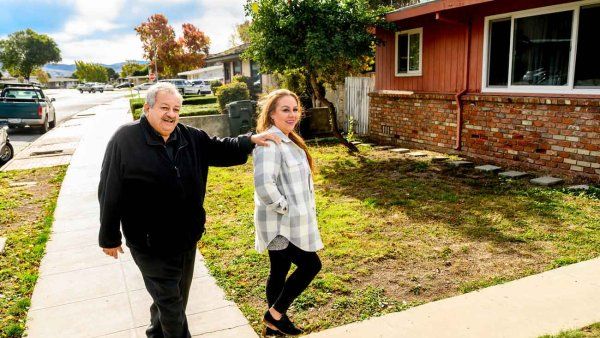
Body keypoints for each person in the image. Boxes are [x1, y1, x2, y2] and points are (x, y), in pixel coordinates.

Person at [98, 82, 280, 338]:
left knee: (174, 299)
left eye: (175, 109)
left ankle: (155, 334)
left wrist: (249, 140)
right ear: (147, 108)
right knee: (171, 304)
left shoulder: (189, 136)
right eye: (164, 108)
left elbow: (219, 148)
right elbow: (109, 188)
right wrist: (109, 236)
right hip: (149, 242)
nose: (171, 114)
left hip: (185, 237)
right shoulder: (125, 140)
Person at [253, 89, 323, 336]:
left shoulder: (289, 139)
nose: (292, 114)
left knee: (279, 270)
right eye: (285, 109)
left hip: (290, 223)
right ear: (272, 114)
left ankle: (273, 329)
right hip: (279, 225)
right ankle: (274, 315)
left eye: (295, 109)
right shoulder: (270, 142)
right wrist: (286, 208)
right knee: (311, 265)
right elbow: (264, 185)